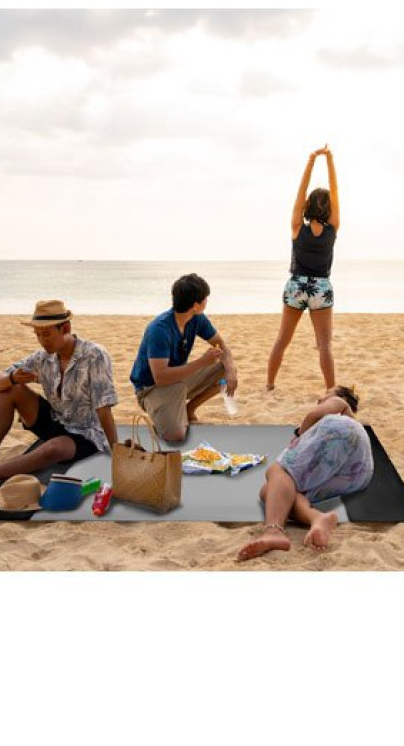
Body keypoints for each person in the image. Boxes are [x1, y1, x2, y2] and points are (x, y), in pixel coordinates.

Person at [0, 299, 118, 499]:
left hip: (86, 435)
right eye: (37, 335)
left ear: (65, 328)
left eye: (47, 334)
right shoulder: (42, 357)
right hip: (56, 421)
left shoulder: (95, 355)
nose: (42, 341)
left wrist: (117, 454)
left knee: (54, 449)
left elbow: (103, 410)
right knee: (11, 389)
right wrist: (13, 378)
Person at [237, 385, 371, 561]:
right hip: (359, 473)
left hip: (341, 431)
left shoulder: (339, 404)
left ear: (343, 398)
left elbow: (313, 415)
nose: (320, 399)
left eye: (327, 394)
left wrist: (299, 435)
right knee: (269, 491)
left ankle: (274, 531)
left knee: (279, 470)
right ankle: (317, 518)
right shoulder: (354, 425)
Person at [129, 273, 238, 444]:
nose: (207, 301)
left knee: (225, 370)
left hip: (178, 380)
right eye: (205, 299)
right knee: (176, 436)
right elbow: (160, 377)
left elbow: (221, 344)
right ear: (195, 305)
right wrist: (202, 362)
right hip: (152, 388)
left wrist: (231, 370)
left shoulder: (196, 318)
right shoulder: (159, 329)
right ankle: (161, 410)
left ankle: (189, 409)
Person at [266, 144, 341, 391]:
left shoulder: (297, 227)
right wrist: (329, 159)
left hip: (296, 286)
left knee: (282, 340)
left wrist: (311, 161)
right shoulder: (333, 228)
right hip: (321, 288)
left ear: (307, 206)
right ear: (329, 208)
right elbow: (335, 190)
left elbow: (301, 192)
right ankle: (330, 391)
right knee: (324, 345)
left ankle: (269, 384)